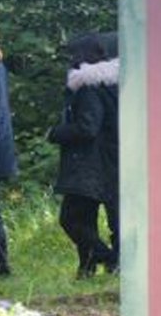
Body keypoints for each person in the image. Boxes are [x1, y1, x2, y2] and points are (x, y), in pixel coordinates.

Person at [48, 32, 120, 277]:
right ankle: (87, 268)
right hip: (108, 160)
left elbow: (88, 127)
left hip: (89, 163)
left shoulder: (88, 87)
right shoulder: (111, 85)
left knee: (71, 218)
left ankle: (107, 258)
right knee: (91, 218)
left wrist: (56, 132)